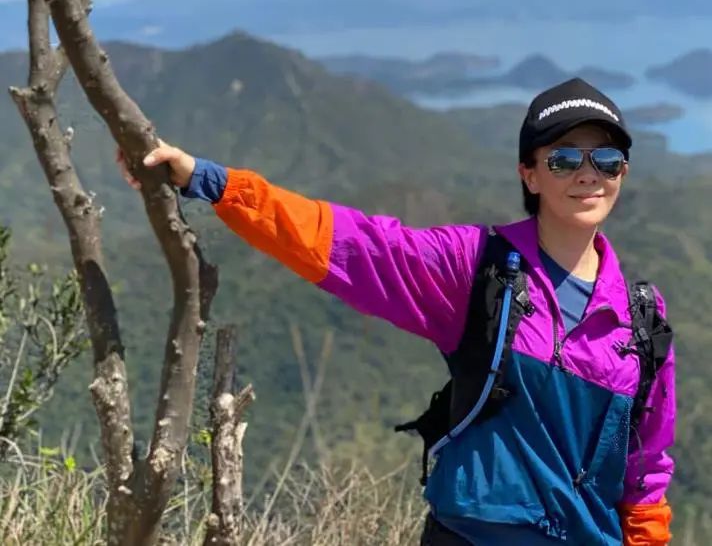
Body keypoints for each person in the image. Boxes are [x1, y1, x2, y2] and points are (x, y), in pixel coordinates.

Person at [120, 77, 675, 545]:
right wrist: (207, 179)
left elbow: (645, 470)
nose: (588, 174)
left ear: (622, 172)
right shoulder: (479, 269)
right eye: (562, 159)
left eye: (606, 159)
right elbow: (347, 244)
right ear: (528, 174)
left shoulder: (640, 317)